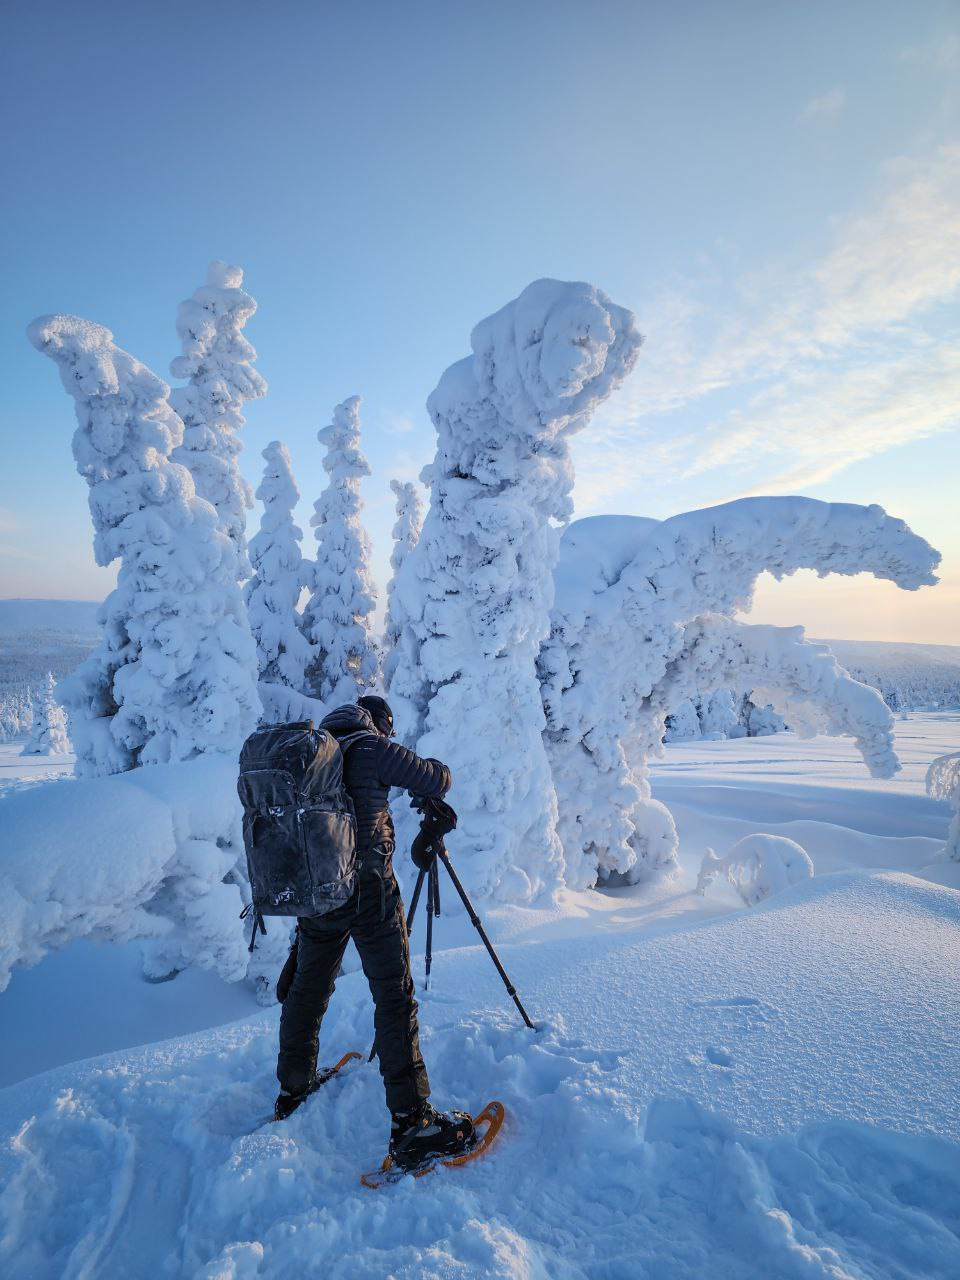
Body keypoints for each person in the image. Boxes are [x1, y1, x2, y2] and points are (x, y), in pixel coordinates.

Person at [274, 694, 474, 1171]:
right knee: (393, 995)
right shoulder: (371, 746)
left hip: (320, 891)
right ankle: (412, 1122)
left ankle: (292, 1089)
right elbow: (437, 778)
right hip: (369, 892)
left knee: (308, 989)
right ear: (380, 723)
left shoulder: (312, 752)